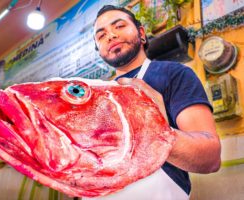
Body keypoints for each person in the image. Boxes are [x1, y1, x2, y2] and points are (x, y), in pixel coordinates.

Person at [86, 5, 221, 200]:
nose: (111, 36)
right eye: (101, 35)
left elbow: (210, 158)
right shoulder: (95, 97)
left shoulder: (174, 74)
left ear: (141, 34)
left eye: (120, 26)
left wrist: (153, 128)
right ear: (99, 51)